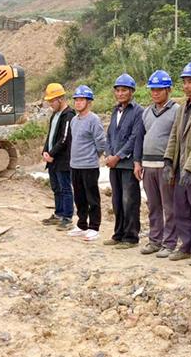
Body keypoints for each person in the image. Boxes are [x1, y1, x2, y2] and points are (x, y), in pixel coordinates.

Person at [162, 62, 191, 264]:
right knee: (180, 209)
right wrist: (168, 161)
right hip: (180, 167)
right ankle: (186, 246)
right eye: (185, 82)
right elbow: (174, 135)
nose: (186, 86)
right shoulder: (183, 107)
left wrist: (189, 170)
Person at [134, 70, 180, 256]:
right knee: (153, 206)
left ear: (168, 90)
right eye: (153, 90)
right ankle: (155, 240)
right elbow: (140, 138)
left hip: (165, 166)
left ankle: (169, 243)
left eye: (159, 90)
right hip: (148, 165)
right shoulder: (147, 112)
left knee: (169, 207)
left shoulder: (176, 111)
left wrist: (173, 165)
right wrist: (137, 162)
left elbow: (178, 140)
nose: (155, 93)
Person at [104, 73, 144, 249]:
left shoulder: (138, 112)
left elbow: (134, 138)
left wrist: (118, 156)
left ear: (132, 92)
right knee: (117, 200)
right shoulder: (115, 111)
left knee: (130, 200)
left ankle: (131, 237)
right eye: (118, 90)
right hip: (114, 164)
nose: (120, 93)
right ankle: (118, 234)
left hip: (127, 164)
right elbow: (109, 135)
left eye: (124, 90)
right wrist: (108, 154)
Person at [68, 85, 108, 242]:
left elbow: (101, 143)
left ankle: (94, 227)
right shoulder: (74, 120)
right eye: (76, 100)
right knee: (79, 197)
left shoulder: (94, 120)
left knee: (92, 198)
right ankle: (82, 224)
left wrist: (93, 157)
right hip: (75, 165)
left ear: (89, 102)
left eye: (81, 100)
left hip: (89, 166)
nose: (78, 103)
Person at [41, 83, 76, 231]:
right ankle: (59, 213)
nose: (50, 104)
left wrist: (52, 154)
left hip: (63, 160)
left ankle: (67, 217)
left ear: (60, 99)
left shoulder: (68, 115)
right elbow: (50, 135)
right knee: (56, 188)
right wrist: (45, 151)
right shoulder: (55, 115)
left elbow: (64, 139)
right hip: (52, 160)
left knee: (65, 188)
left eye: (52, 101)